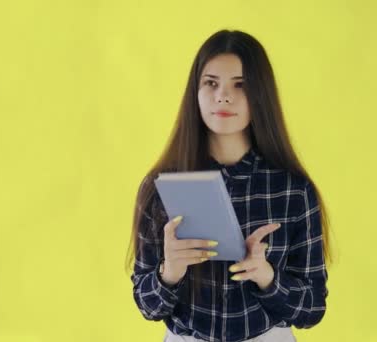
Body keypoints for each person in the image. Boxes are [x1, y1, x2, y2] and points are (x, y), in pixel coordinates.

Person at [126, 29, 333, 342]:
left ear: (260, 95)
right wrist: (170, 271)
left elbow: (312, 309)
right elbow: (147, 305)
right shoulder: (160, 188)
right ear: (195, 93)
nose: (223, 96)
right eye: (211, 83)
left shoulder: (293, 190)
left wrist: (267, 277)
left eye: (241, 85)